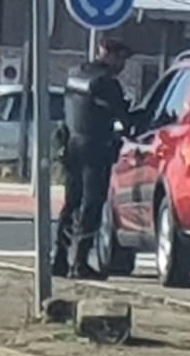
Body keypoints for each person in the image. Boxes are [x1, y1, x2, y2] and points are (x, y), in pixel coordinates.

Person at [57, 38, 133, 279]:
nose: (122, 65)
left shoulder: (75, 74)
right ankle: (80, 263)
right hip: (95, 148)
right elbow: (125, 119)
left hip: (70, 144)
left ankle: (59, 260)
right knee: (92, 205)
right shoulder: (107, 83)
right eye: (120, 59)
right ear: (108, 54)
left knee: (71, 204)